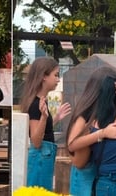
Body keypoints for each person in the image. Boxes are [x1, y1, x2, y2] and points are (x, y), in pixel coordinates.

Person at [66, 67, 116, 196]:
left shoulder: (94, 118)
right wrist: (102, 134)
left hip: (101, 181)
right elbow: (72, 144)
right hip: (103, 178)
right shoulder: (88, 115)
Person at [20, 56, 71, 191]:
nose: (58, 79)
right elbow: (36, 141)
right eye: (55, 75)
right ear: (44, 76)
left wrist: (55, 118)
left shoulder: (41, 101)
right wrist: (44, 117)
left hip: (44, 158)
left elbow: (42, 130)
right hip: (40, 160)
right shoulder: (36, 104)